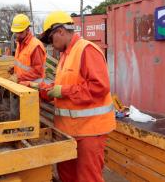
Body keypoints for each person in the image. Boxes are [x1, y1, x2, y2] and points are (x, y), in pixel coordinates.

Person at [21, 11, 116, 182]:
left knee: (88, 177)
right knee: (66, 175)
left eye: (51, 39)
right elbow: (62, 85)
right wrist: (37, 87)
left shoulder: (86, 50)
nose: (50, 44)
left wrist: (63, 91)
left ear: (60, 31)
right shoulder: (66, 54)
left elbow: (99, 87)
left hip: (89, 132)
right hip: (69, 130)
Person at [9, 14, 46, 83]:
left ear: (27, 29)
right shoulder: (20, 44)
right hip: (23, 87)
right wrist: (15, 69)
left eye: (21, 32)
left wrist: (18, 77)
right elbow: (24, 65)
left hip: (34, 89)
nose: (18, 35)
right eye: (16, 32)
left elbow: (37, 72)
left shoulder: (35, 46)